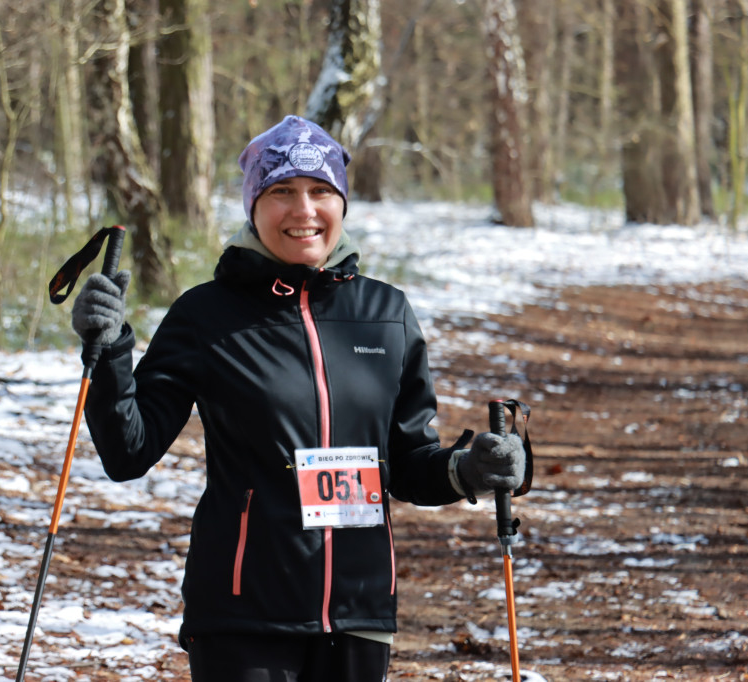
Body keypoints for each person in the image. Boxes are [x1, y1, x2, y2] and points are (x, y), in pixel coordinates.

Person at [72, 115, 525, 682]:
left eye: (320, 192)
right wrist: (111, 350)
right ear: (254, 205)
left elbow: (408, 465)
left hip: (359, 611)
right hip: (242, 614)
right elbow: (127, 451)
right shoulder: (205, 316)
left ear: (341, 203)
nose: (303, 210)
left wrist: (472, 469)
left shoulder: (387, 315)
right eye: (281, 191)